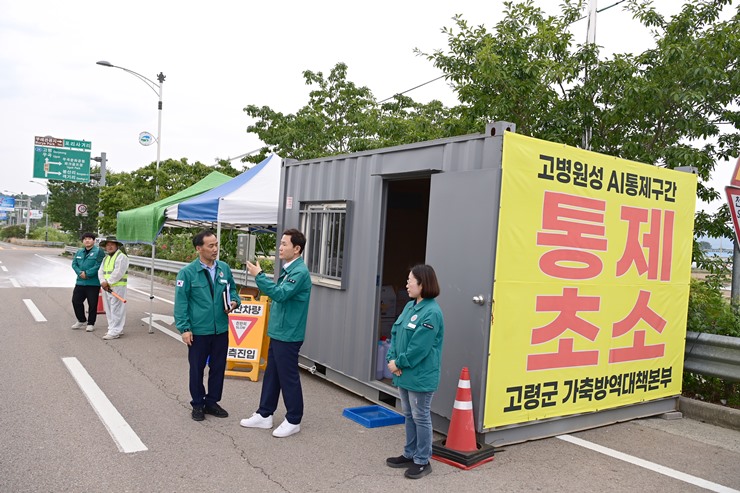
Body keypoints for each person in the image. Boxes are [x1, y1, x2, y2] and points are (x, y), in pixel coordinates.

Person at [240, 228, 312, 438]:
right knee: (272, 374)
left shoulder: (299, 272)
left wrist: (259, 276)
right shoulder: (290, 270)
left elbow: (280, 295)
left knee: (288, 377)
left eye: (284, 244)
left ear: (297, 249)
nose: (280, 248)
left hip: (288, 334)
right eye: (280, 243)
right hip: (280, 332)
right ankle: (265, 414)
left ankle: (294, 419)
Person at [385, 264, 444, 480]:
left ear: (423, 284)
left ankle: (422, 460)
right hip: (404, 371)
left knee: (421, 416)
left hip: (420, 374)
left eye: (411, 280)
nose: (407, 284)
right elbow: (395, 331)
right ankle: (409, 453)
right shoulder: (411, 306)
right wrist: (391, 358)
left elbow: (419, 347)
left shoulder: (432, 313)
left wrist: (399, 363)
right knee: (409, 415)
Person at [174, 230, 240, 421]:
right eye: (210, 246)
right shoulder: (187, 273)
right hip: (199, 331)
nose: (215, 249)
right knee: (197, 369)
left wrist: (234, 302)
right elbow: (181, 303)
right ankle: (197, 404)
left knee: (218, 368)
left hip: (221, 329)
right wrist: (184, 328)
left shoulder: (224, 268)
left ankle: (212, 402)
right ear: (199, 248)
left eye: (216, 244)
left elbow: (233, 291)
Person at [71, 232, 105, 332]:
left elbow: (99, 265)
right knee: (76, 301)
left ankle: (91, 323)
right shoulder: (79, 252)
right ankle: (81, 320)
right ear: (83, 241)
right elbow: (74, 264)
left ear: (94, 241)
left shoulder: (99, 252)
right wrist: (80, 273)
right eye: (85, 239)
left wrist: (87, 274)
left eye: (89, 239)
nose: (87, 240)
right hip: (80, 282)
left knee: (92, 304)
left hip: (93, 283)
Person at [97, 236, 129, 340]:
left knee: (116, 309)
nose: (109, 247)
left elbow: (118, 272)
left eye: (112, 245)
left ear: (116, 246)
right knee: (109, 309)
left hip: (117, 287)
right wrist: (103, 282)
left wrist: (108, 282)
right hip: (106, 287)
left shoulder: (121, 257)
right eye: (108, 245)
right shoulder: (106, 258)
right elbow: (100, 271)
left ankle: (115, 331)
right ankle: (112, 328)